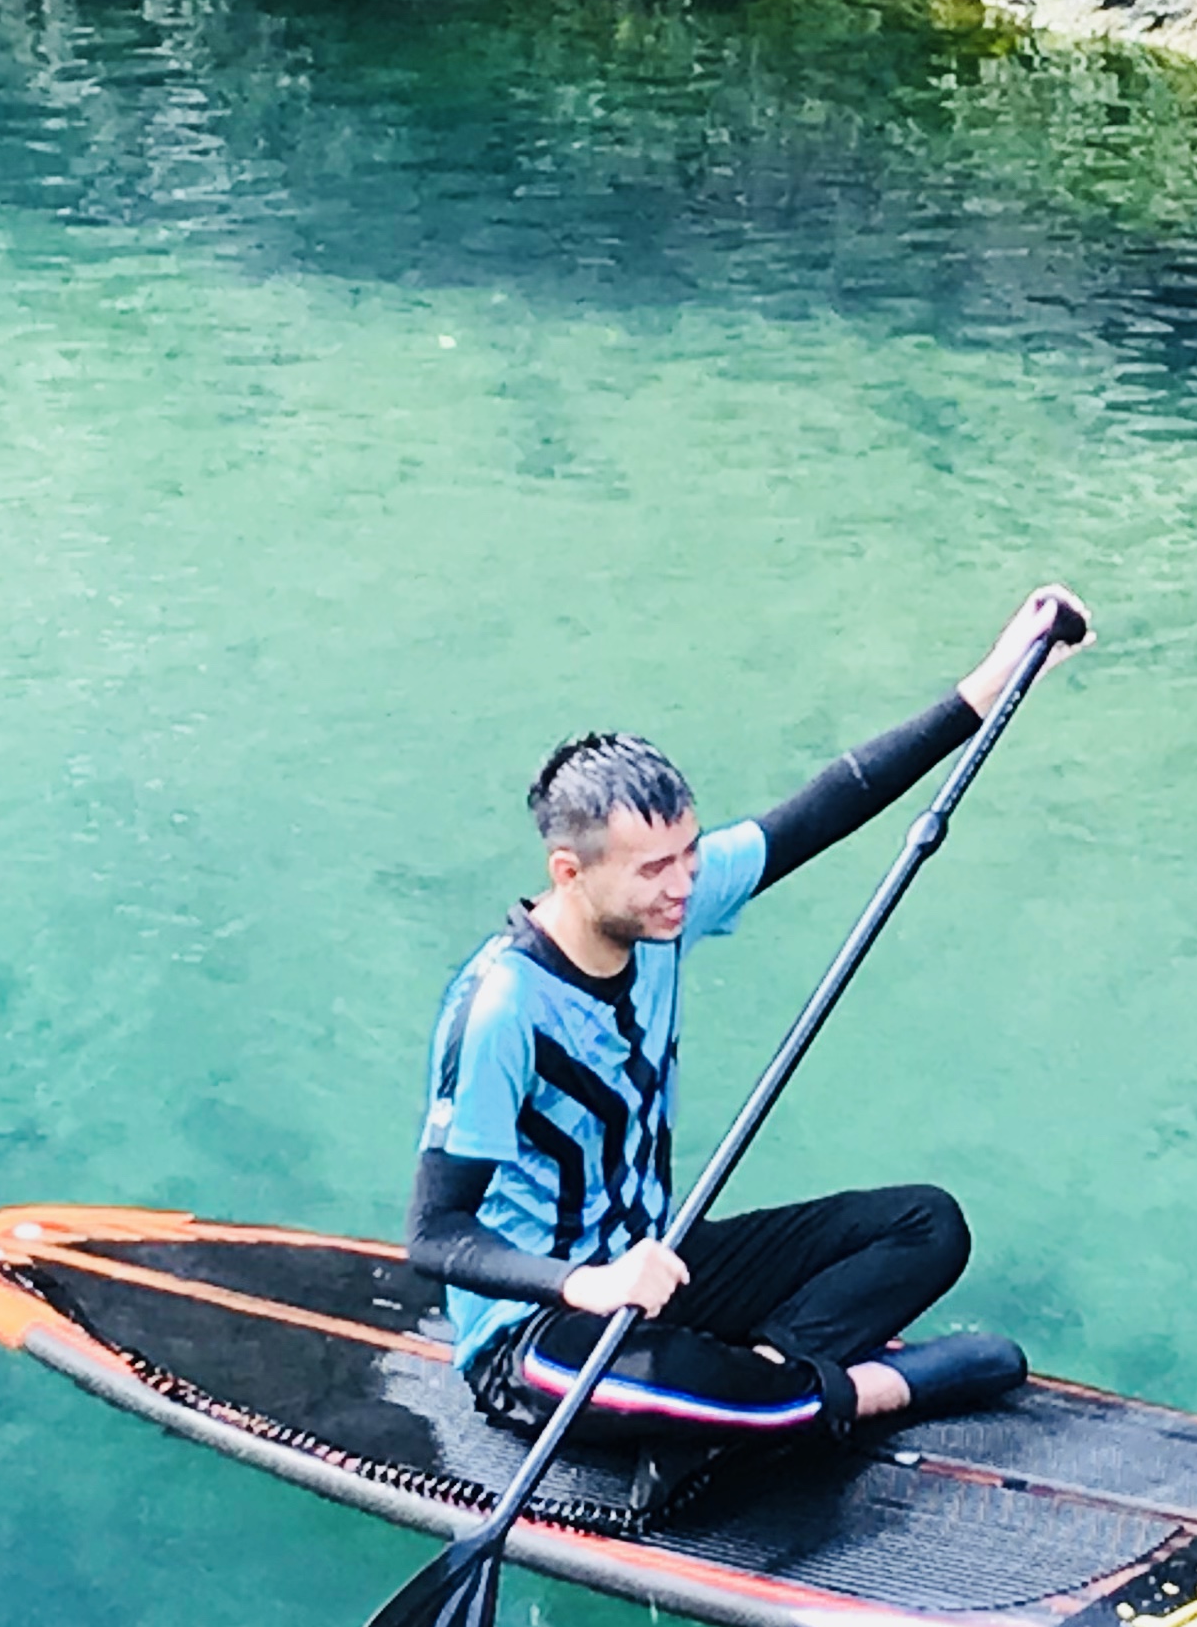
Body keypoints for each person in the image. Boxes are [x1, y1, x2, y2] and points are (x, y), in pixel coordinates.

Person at [406, 587, 1089, 1457]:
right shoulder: (501, 1008)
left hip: (661, 1265)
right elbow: (435, 1236)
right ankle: (850, 1390)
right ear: (569, 872)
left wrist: (990, 684)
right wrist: (586, 1283)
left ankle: (769, 1373)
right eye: (655, 868)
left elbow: (827, 805)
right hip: (540, 1330)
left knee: (928, 1225)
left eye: (690, 853)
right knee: (740, 1406)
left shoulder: (663, 913)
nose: (683, 884)